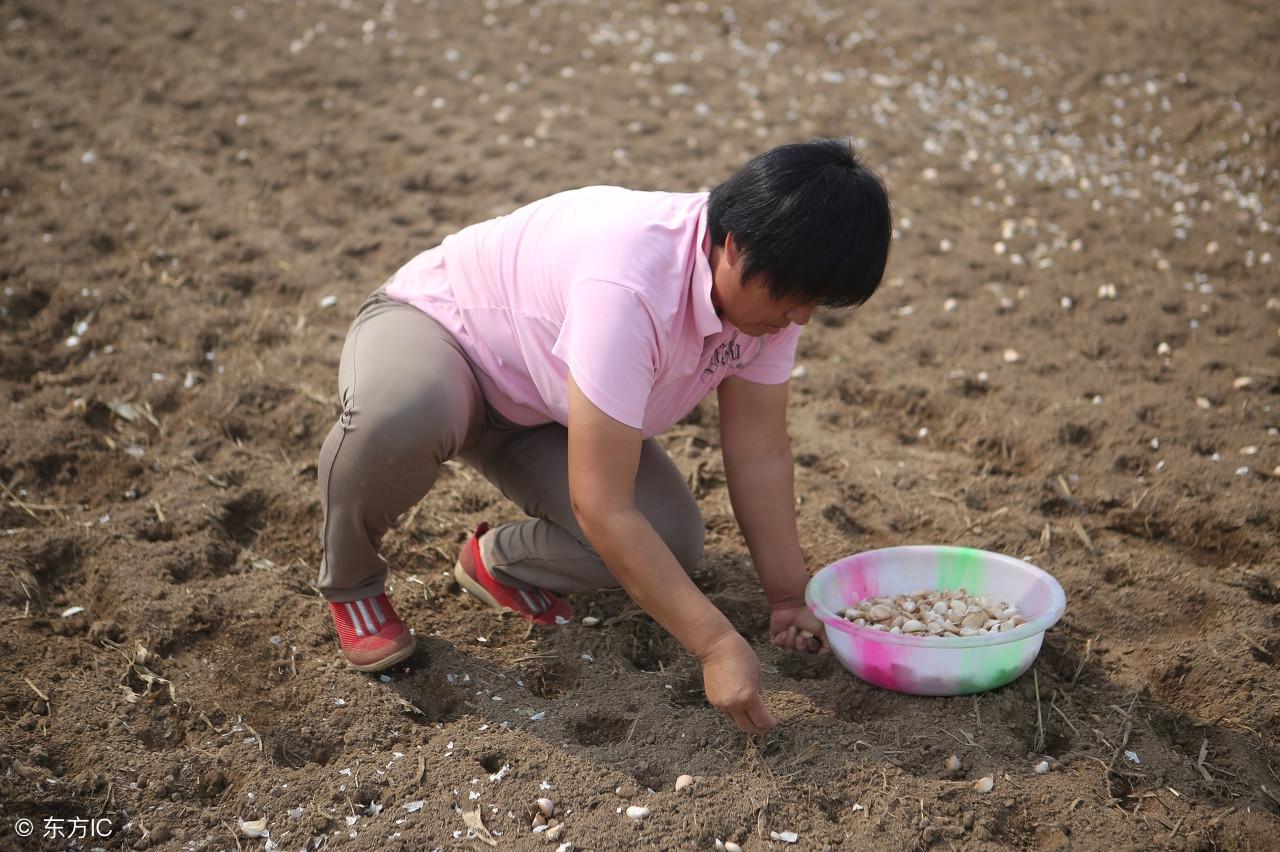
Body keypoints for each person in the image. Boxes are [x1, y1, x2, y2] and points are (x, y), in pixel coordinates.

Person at [316, 138, 892, 733]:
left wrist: (789, 597)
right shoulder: (630, 284)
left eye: (815, 303)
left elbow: (760, 452)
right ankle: (352, 581)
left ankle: (496, 562)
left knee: (669, 539)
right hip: (446, 338)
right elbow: (602, 504)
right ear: (734, 245)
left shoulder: (771, 301)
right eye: (794, 296)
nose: (799, 318)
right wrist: (717, 646)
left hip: (546, 403)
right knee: (399, 417)